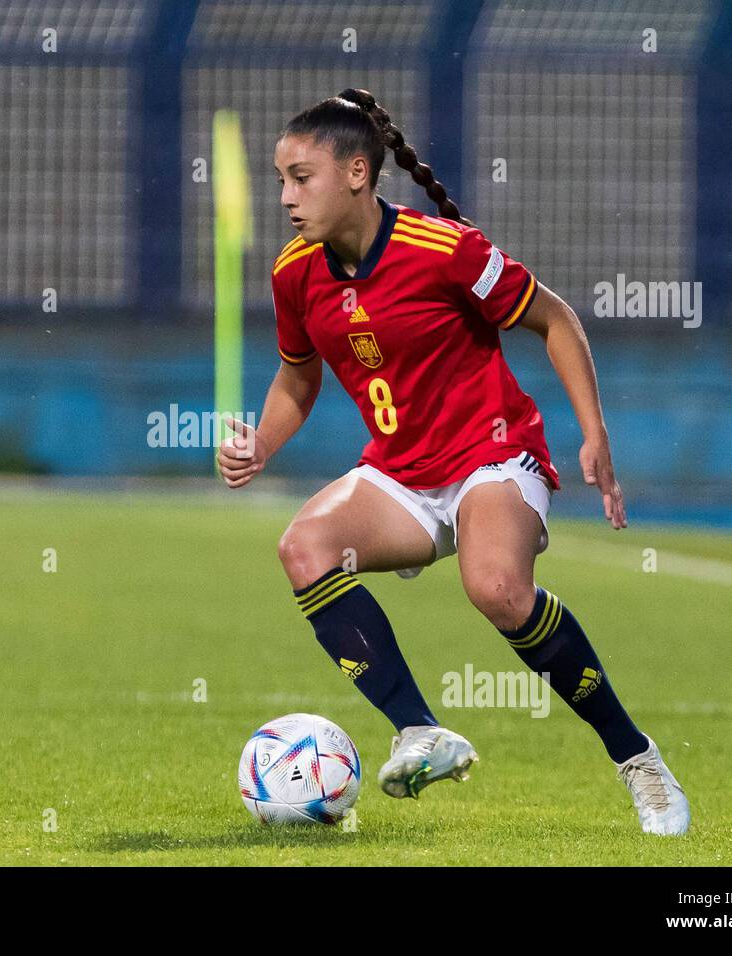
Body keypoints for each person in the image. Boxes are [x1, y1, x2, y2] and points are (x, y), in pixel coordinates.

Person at [217, 89, 689, 836]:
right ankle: (419, 731)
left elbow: (555, 318)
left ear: (358, 174)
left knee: (496, 588)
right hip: (400, 474)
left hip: (493, 458)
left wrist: (594, 433)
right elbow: (298, 375)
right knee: (302, 548)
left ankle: (637, 759)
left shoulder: (445, 252)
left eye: (300, 178)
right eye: (279, 179)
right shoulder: (295, 273)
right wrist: (260, 444)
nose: (286, 197)